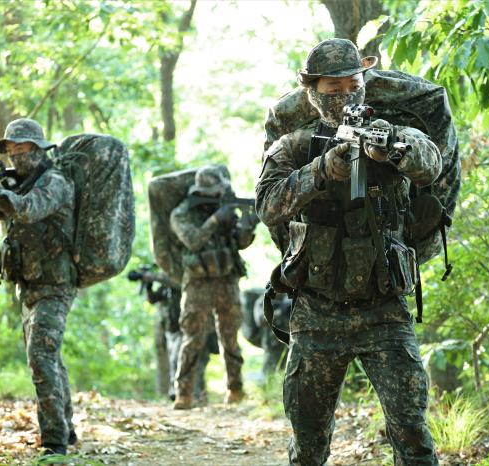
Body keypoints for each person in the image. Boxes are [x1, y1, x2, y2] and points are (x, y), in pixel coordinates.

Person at [255, 39, 442, 465]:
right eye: (333, 87)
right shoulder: (295, 146)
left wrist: (393, 150)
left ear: (365, 82)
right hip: (317, 311)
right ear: (313, 92)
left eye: (351, 84)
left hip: (384, 310)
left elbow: (430, 163)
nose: (343, 95)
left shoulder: (393, 132)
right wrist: (321, 169)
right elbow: (267, 205)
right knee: (308, 440)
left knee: (412, 432)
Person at [0, 118, 78, 458]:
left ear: (37, 149)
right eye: (9, 149)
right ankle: (66, 429)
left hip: (56, 282)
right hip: (27, 283)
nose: (12, 154)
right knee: (48, 354)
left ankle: (54, 443)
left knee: (40, 355)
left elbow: (27, 211)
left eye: (19, 147)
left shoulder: (53, 182)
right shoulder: (17, 182)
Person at [170, 165, 256, 409]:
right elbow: (193, 240)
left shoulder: (225, 207)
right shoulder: (182, 213)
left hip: (227, 279)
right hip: (198, 283)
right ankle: (183, 393)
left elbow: (239, 242)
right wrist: (217, 218)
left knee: (230, 337)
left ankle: (235, 389)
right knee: (193, 337)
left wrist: (248, 225)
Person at [132, 267, 218, 403]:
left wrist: (153, 276)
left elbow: (177, 284)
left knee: (195, 362)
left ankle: (197, 395)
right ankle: (178, 392)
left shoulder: (184, 279)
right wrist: (148, 285)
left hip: (191, 327)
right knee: (175, 360)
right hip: (172, 328)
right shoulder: (166, 288)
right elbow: (153, 299)